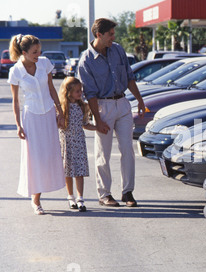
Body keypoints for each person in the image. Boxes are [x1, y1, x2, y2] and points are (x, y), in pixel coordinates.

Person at [77, 18, 145, 207]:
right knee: (103, 153)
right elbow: (89, 94)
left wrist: (139, 99)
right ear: (99, 35)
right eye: (110, 34)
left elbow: (129, 77)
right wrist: (97, 120)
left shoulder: (118, 50)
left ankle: (128, 192)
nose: (113, 38)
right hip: (102, 107)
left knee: (127, 150)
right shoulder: (86, 60)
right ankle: (104, 194)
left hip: (122, 104)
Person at [8, 34, 65, 215]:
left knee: (49, 156)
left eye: (39, 51)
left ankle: (46, 193)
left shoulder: (44, 63)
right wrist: (18, 125)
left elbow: (51, 88)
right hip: (31, 117)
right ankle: (36, 200)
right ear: (23, 52)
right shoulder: (16, 71)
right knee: (35, 158)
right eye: (34, 52)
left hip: (48, 114)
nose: (38, 54)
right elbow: (15, 101)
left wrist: (60, 111)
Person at [59, 77, 96, 211]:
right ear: (68, 92)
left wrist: (97, 127)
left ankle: (80, 198)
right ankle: (70, 197)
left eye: (80, 90)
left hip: (79, 142)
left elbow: (85, 124)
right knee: (68, 171)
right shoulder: (63, 107)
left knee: (79, 171)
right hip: (67, 142)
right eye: (76, 91)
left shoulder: (83, 106)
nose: (79, 93)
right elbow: (58, 124)